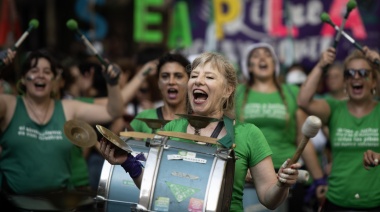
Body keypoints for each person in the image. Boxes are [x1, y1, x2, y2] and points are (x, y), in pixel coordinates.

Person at [99, 52, 301, 211]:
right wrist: (128, 163)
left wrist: (282, 185)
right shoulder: (171, 129)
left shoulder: (248, 134)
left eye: (209, 77)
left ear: (228, 90)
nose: (198, 81)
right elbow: (152, 187)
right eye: (194, 75)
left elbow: (269, 199)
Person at [0, 49, 123, 209]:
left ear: (54, 80)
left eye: (47, 72)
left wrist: (112, 83)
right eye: (34, 70)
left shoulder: (68, 108)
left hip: (59, 203)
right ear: (23, 78)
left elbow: (112, 111)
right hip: (14, 203)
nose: (41, 75)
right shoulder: (9, 105)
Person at [235, 42, 324, 211]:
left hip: (286, 172)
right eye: (256, 56)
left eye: (267, 54)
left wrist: (319, 179)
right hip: (247, 172)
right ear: (249, 66)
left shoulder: (292, 92)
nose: (262, 58)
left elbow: (302, 137)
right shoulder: (236, 93)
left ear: (275, 64)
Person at [298, 46, 380, 211]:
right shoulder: (334, 108)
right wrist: (321, 65)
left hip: (375, 203)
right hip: (336, 201)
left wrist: (379, 63)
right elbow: (303, 101)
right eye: (350, 73)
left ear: (373, 81)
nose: (356, 77)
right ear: (345, 82)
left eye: (364, 73)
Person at [129, 53, 190, 133]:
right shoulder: (144, 117)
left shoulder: (197, 123)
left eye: (178, 76)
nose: (171, 82)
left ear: (189, 81)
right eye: (165, 76)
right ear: (158, 82)